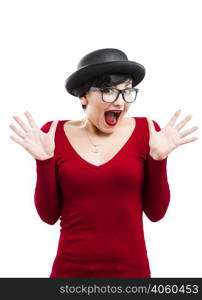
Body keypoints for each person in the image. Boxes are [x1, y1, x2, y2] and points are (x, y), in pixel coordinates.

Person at [9, 48, 199, 278]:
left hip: (131, 273)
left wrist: (159, 160)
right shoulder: (52, 134)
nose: (120, 101)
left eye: (127, 91)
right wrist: (43, 162)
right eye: (109, 91)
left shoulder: (147, 131)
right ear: (83, 95)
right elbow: (48, 216)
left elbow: (156, 213)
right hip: (69, 271)